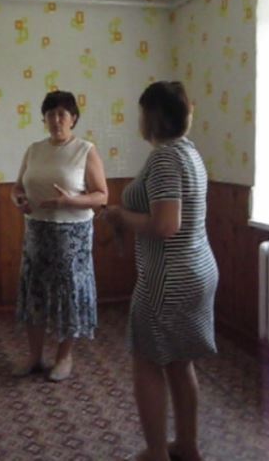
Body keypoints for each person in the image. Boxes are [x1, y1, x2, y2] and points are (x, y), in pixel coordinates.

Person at [103, 81, 219, 461]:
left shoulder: (165, 158)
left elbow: (166, 224)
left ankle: (156, 453)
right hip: (196, 270)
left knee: (148, 361)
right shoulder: (189, 152)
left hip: (168, 279)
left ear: (151, 117)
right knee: (180, 361)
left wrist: (121, 216)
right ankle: (186, 446)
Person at [11, 90, 108, 382]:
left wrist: (70, 201)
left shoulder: (85, 150)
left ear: (73, 118)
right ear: (44, 119)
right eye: (50, 114)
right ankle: (34, 356)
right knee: (35, 294)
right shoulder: (34, 150)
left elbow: (101, 196)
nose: (56, 120)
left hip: (72, 235)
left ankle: (64, 357)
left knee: (68, 296)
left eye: (62, 114)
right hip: (36, 232)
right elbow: (17, 187)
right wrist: (18, 199)